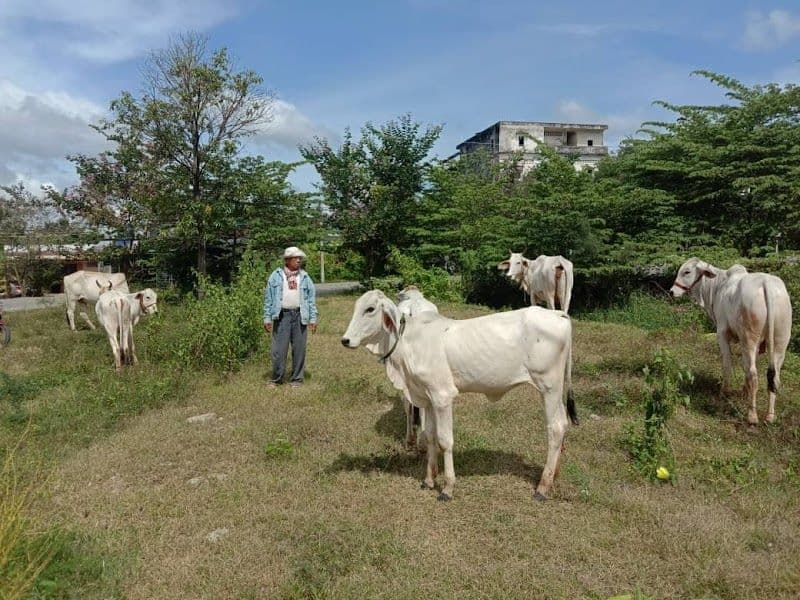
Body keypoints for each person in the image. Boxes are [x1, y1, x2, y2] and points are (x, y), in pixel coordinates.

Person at [263, 246, 318, 387]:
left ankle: (297, 380)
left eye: (300, 258)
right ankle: (276, 379)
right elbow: (268, 298)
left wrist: (313, 319)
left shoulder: (304, 277)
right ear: (287, 260)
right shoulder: (276, 276)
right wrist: (267, 318)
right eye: (296, 258)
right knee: (278, 351)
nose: (299, 260)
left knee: (299, 349)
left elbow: (311, 299)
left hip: (300, 316)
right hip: (282, 316)